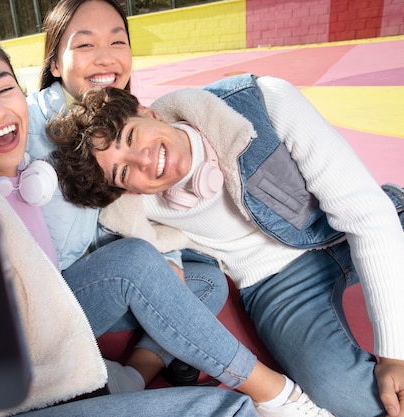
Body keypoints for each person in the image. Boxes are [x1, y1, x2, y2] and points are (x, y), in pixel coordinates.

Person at [0, 3, 335, 415]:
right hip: (30, 323)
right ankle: (273, 393)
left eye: (117, 41)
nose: (104, 58)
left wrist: (167, 263)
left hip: (69, 295)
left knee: (200, 278)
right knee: (136, 265)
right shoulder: (16, 132)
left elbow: (124, 218)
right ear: (55, 61)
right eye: (84, 45)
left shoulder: (103, 128)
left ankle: (136, 373)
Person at [45, 80, 404, 417]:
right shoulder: (134, 216)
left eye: (132, 136)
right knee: (348, 394)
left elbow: (367, 215)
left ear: (148, 112)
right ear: (128, 192)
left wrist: (394, 354)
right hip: (274, 281)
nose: (143, 159)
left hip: (350, 223)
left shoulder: (262, 101)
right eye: (123, 173)